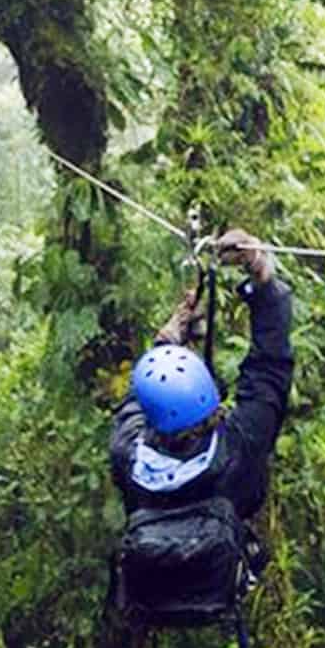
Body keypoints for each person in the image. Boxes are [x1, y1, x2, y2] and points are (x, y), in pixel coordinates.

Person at [108, 227, 293, 564]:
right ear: (208, 394)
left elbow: (135, 403)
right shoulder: (239, 446)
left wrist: (167, 342)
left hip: (149, 601)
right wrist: (261, 272)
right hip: (221, 596)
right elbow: (270, 369)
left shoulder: (129, 456)